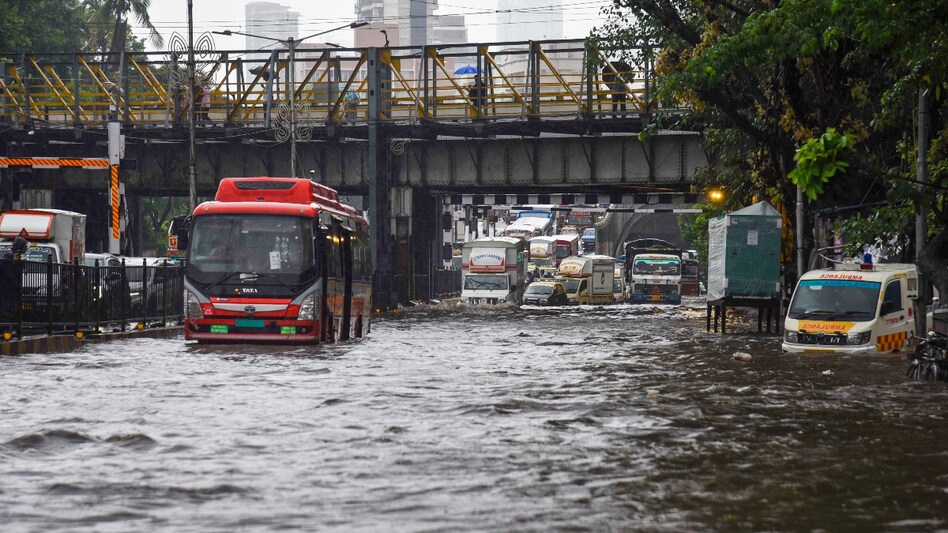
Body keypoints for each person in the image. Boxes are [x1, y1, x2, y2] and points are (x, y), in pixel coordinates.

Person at [0, 236, 29, 329]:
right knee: (5, 310)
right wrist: (13, 262)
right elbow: (8, 274)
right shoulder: (8, 257)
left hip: (12, 291)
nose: (25, 249)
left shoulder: (17, 257)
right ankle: (4, 330)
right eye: (24, 246)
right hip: (6, 290)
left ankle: (10, 328)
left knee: (12, 311)